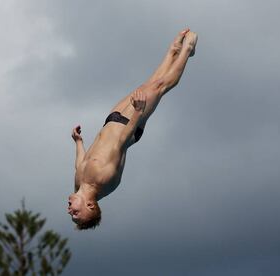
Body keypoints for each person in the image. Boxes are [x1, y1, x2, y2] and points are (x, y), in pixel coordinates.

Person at [68, 28, 198, 230]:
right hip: (130, 125)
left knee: (149, 83)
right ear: (90, 205)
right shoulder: (103, 179)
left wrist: (78, 143)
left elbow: (80, 165)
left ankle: (173, 50)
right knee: (160, 87)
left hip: (112, 119)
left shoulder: (79, 184)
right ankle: (187, 49)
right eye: (76, 213)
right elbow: (121, 143)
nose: (69, 211)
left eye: (71, 214)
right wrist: (138, 112)